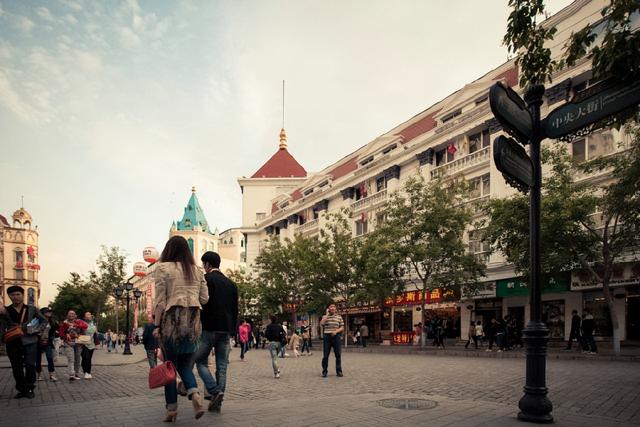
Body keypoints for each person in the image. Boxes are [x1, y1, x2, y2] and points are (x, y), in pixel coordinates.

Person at [151, 235, 209, 422]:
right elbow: (204, 299)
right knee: (185, 365)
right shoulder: (197, 271)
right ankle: (195, 394)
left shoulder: (162, 268)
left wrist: (157, 325)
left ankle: (171, 410)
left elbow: (160, 301)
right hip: (192, 323)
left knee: (170, 366)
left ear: (169, 250)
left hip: (171, 323)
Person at [193, 251, 238, 414]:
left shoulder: (206, 279)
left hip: (209, 328)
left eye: (203, 264)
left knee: (199, 361)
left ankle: (213, 390)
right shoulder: (231, 284)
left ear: (207, 264)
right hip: (225, 329)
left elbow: (201, 303)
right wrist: (233, 331)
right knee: (222, 366)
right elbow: (235, 310)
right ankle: (217, 403)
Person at [0, 285, 45, 398]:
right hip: (13, 341)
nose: (15, 297)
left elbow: (43, 321)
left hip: (30, 340)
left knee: (30, 365)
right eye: (12, 295)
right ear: (9, 296)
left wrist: (35, 330)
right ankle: (22, 389)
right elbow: (1, 327)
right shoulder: (6, 310)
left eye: (18, 294)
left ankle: (30, 388)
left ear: (22, 295)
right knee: (16, 367)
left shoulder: (32, 309)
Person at [59, 310, 88, 381]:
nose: (71, 315)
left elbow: (85, 326)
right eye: (70, 314)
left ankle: (76, 373)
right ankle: (71, 374)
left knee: (77, 359)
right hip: (68, 343)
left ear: (75, 315)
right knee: (71, 358)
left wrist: (77, 326)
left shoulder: (79, 321)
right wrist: (66, 335)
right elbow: (61, 333)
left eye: (73, 314)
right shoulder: (65, 323)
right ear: (67, 315)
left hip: (78, 343)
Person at [320, 303, 344, 378]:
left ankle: (339, 371)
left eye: (334, 307)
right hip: (327, 337)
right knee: (325, 355)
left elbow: (342, 327)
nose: (333, 308)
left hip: (336, 337)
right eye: (331, 307)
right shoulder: (325, 317)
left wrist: (336, 331)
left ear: (336, 309)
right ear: (329, 309)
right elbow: (322, 323)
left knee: (338, 355)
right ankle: (324, 371)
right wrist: (327, 314)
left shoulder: (339, 317)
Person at [36, 307, 58, 382]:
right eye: (47, 311)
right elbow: (34, 330)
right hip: (38, 342)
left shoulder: (52, 321)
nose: (49, 313)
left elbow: (54, 331)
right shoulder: (38, 320)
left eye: (50, 311)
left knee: (50, 358)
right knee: (38, 359)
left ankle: (51, 375)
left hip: (48, 342)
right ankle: (39, 375)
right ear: (43, 313)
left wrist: (51, 338)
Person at [80, 312, 97, 379]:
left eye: (90, 315)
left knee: (89, 358)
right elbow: (81, 331)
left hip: (91, 343)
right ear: (84, 317)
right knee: (85, 358)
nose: (89, 316)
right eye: (87, 314)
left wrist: (97, 343)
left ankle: (87, 372)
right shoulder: (82, 323)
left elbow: (94, 333)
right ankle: (86, 371)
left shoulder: (93, 323)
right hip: (83, 343)